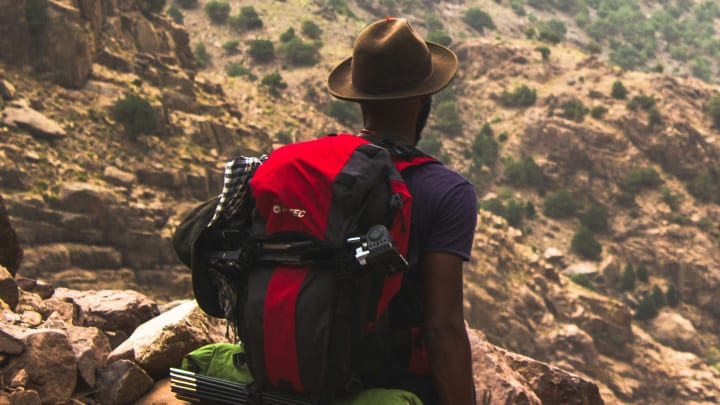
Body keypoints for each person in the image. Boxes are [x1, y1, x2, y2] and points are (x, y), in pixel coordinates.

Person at [327, 17, 478, 405]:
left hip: (300, 371)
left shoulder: (317, 170)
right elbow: (442, 329)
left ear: (358, 98)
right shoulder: (447, 191)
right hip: (394, 384)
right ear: (424, 100)